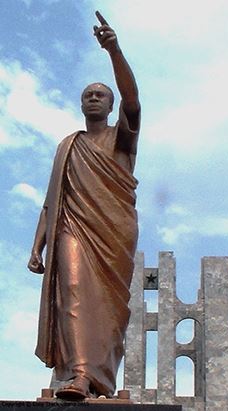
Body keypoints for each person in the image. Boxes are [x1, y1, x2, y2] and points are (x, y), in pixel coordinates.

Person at [28, 11, 140, 401]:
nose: (93, 98)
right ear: (81, 105)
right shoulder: (68, 146)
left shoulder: (121, 140)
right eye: (87, 95)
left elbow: (134, 98)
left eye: (100, 95)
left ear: (110, 106)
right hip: (71, 227)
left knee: (108, 309)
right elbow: (50, 201)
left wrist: (114, 50)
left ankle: (99, 378)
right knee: (72, 289)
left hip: (114, 233)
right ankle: (77, 374)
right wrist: (37, 246)